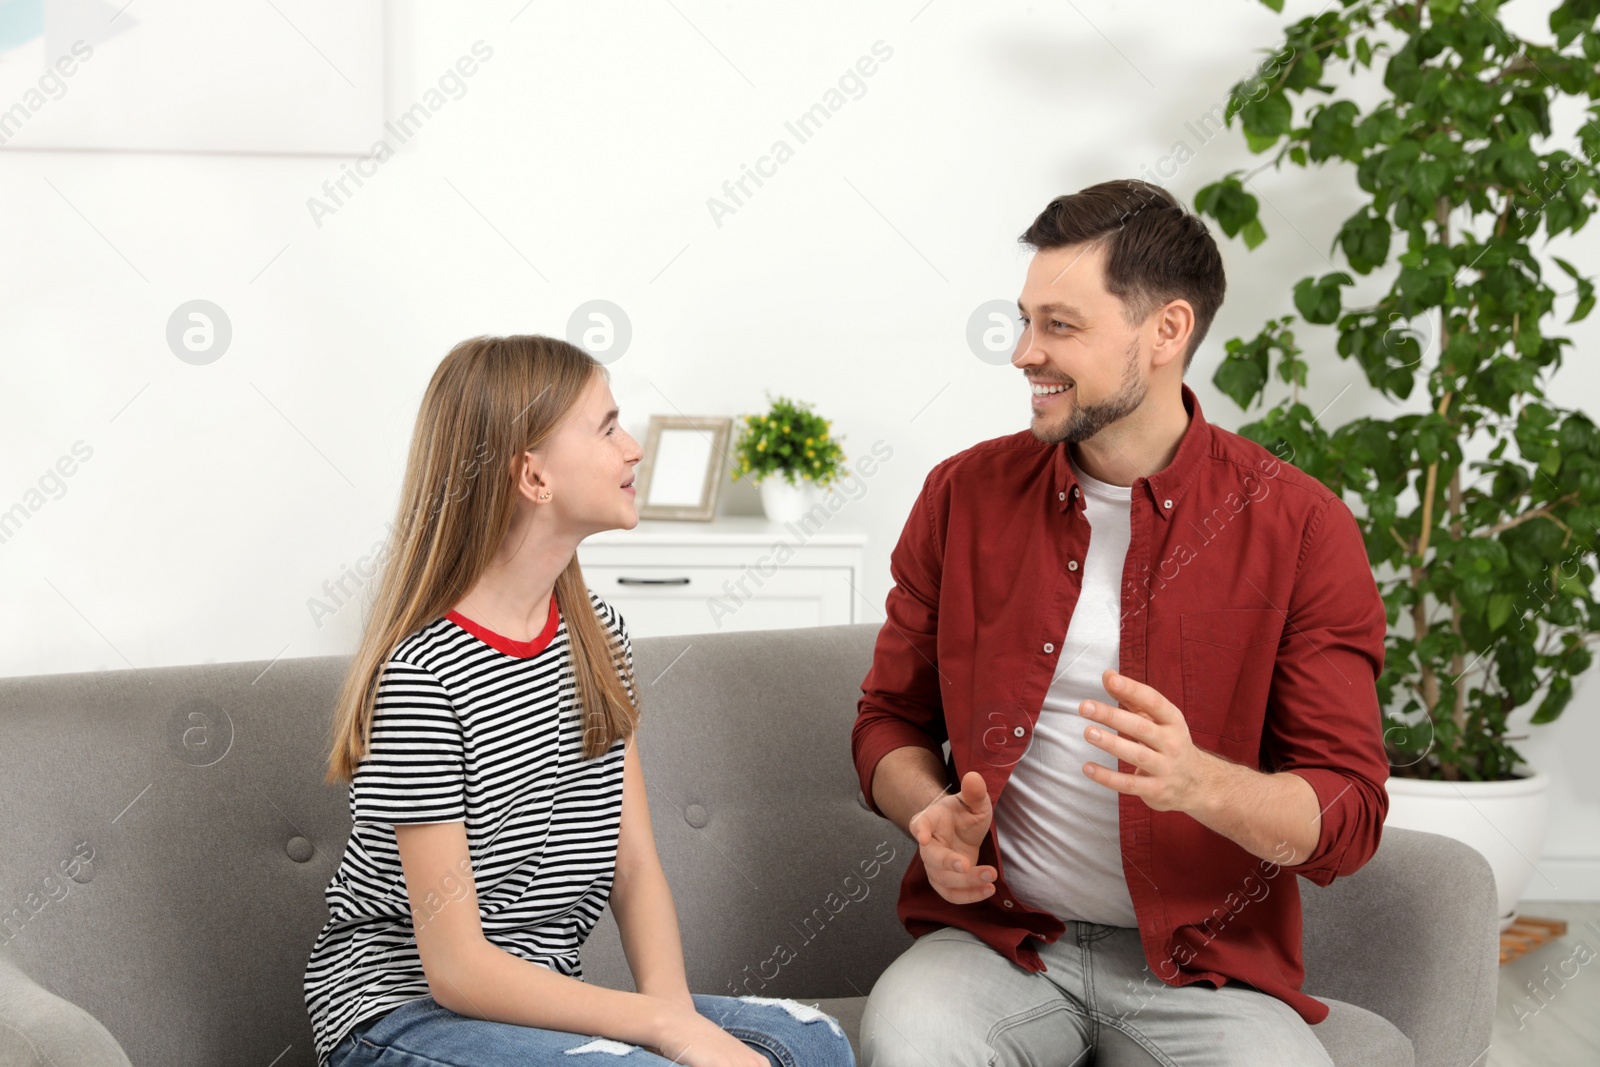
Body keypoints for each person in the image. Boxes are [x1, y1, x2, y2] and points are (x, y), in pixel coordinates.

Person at [850, 179, 1391, 1066]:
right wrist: (933, 811)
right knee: (910, 1035)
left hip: (1204, 973)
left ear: (1167, 331)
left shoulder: (1299, 527)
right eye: (1025, 320)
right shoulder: (962, 497)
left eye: (1059, 326)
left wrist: (1199, 783)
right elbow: (888, 723)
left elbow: (1348, 810)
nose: (1025, 352)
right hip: (1001, 947)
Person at [304, 335, 856, 1067]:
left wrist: (675, 1015)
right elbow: (457, 968)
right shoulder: (422, 677)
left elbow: (634, 867)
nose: (633, 450)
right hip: (401, 1015)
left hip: (536, 1009)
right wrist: (665, 1033)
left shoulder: (599, 639)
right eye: (607, 427)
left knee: (809, 1040)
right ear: (533, 474)